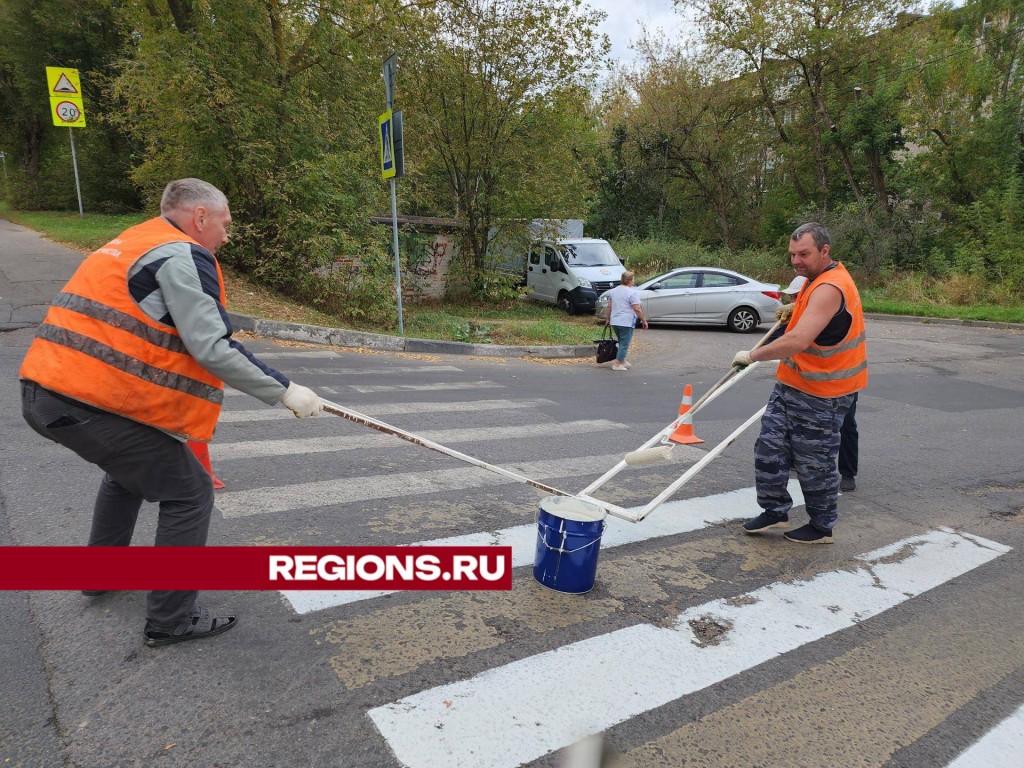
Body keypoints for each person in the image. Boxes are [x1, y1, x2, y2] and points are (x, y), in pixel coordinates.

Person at [19, 178, 323, 647]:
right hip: (86, 400)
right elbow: (212, 347)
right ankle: (170, 618)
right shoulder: (182, 254)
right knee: (190, 492)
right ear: (200, 217)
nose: (226, 235)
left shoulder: (134, 241)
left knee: (127, 476)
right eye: (224, 223)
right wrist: (285, 391)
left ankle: (101, 574)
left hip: (52, 390)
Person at [732, 222, 867, 544]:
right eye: (792, 254)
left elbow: (798, 340)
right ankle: (775, 509)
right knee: (769, 448)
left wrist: (753, 355)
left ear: (824, 250)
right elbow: (812, 315)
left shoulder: (830, 287)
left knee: (813, 461)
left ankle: (821, 527)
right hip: (792, 384)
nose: (796, 261)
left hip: (824, 392)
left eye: (803, 254)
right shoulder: (814, 279)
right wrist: (796, 306)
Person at [604, 271, 647, 371]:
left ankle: (622, 360)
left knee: (621, 341)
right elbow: (637, 308)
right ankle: (617, 363)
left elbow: (609, 307)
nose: (634, 281)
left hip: (615, 321)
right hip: (626, 322)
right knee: (624, 343)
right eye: (633, 279)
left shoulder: (613, 291)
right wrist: (643, 320)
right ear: (630, 280)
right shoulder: (632, 293)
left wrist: (608, 319)